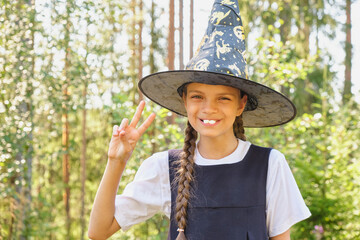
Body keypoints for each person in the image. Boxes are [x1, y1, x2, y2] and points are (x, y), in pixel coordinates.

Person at [88, 0, 311, 239]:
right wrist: (116, 161)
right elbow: (99, 231)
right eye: (197, 96)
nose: (209, 108)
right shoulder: (165, 168)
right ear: (184, 101)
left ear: (241, 104)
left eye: (223, 98)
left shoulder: (269, 165)